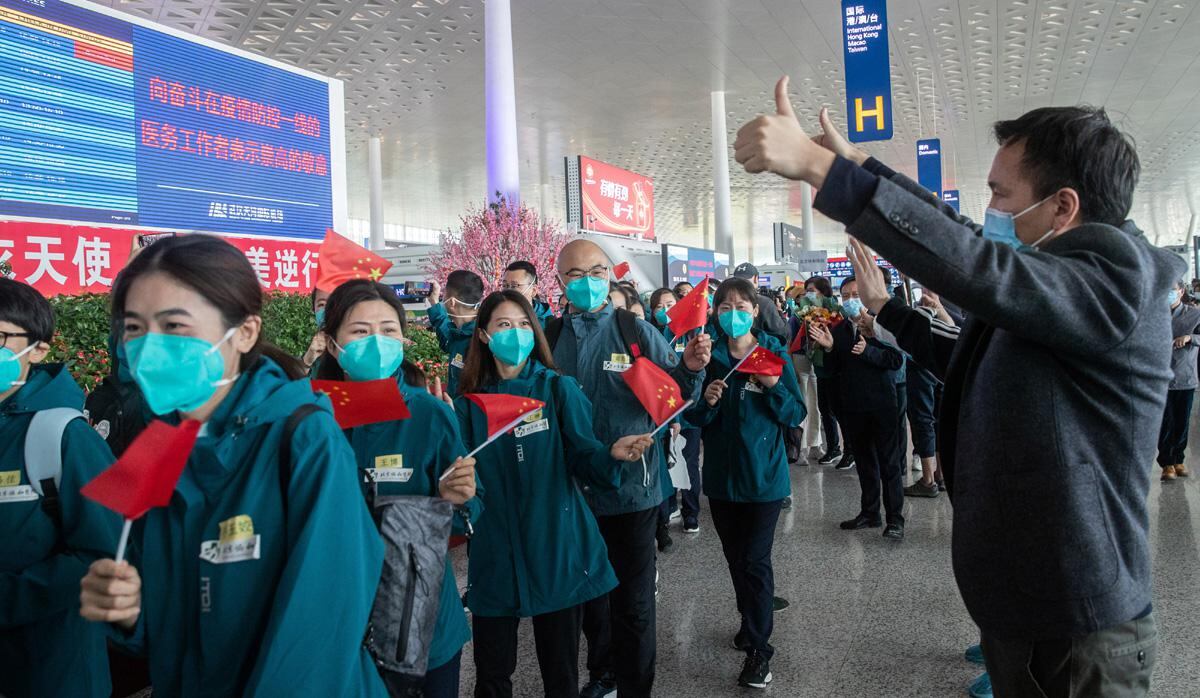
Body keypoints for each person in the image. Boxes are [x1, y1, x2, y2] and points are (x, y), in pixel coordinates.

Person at [737, 76, 1178, 695]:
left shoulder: (1117, 280)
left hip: (1078, 625)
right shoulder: (1057, 286)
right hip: (1034, 602)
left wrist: (821, 170)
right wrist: (862, 169)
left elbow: (974, 260)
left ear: (1063, 207)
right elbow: (972, 353)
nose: (988, 210)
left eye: (1000, 193)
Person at [79, 234, 388, 696]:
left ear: (244, 332)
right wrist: (128, 611)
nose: (151, 347)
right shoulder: (155, 447)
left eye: (174, 325)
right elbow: (164, 616)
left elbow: (322, 631)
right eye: (134, 328)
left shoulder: (303, 437)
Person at [455, 290, 653, 698]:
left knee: (560, 673)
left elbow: (585, 458)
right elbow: (464, 489)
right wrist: (460, 495)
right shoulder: (468, 406)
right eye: (504, 325)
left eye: (524, 324)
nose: (516, 333)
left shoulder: (558, 390)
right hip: (495, 554)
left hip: (557, 549)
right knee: (491, 675)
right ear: (484, 336)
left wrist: (610, 455)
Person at [549, 240, 710, 698]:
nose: (586, 282)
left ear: (609, 276)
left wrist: (690, 370)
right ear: (559, 281)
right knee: (589, 597)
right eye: (575, 275)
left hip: (632, 491)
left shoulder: (633, 330)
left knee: (634, 603)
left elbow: (674, 394)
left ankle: (635, 687)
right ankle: (603, 674)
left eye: (596, 272)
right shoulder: (549, 336)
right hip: (572, 491)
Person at [317, 279, 479, 697]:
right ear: (332, 344)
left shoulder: (429, 414)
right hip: (338, 617)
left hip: (420, 616)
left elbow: (472, 509)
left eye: (388, 330)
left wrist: (456, 499)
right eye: (360, 331)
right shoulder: (311, 419)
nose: (376, 342)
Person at [0, 279, 121, 698]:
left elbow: (106, 552)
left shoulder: (64, 435)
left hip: (52, 672)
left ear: (38, 350)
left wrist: (9, 598)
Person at [686, 277, 804, 689]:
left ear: (755, 311)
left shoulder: (772, 353)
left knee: (755, 560)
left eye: (741, 306)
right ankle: (749, 620)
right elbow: (691, 417)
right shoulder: (709, 355)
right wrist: (706, 402)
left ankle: (759, 650)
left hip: (764, 479)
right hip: (722, 479)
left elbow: (796, 414)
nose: (733, 314)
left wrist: (772, 387)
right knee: (735, 558)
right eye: (725, 307)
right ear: (715, 313)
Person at [810, 276, 906, 539]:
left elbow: (896, 360)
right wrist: (829, 348)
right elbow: (833, 370)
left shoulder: (880, 326)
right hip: (853, 405)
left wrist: (868, 352)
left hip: (882, 404)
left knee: (889, 463)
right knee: (864, 462)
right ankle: (870, 512)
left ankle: (895, 519)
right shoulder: (839, 330)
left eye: (856, 294)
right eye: (846, 296)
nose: (851, 300)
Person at [649, 288, 703, 533]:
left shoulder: (693, 335)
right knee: (667, 463)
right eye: (659, 307)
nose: (665, 310)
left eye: (670, 304)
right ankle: (670, 506)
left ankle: (691, 513)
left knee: (688, 462)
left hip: (689, 414)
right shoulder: (653, 336)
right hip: (664, 414)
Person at [1159, 281, 1200, 481]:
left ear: (1181, 291)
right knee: (1165, 422)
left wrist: (1190, 337)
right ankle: (1167, 462)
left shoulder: (1194, 314)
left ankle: (1178, 460)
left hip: (1185, 376)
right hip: (1160, 378)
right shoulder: (1155, 314)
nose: (1168, 293)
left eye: (1172, 290)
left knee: (1182, 422)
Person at [428, 270, 484, 396]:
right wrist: (434, 303)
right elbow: (447, 338)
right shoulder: (460, 334)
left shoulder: (480, 338)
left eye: (444, 296)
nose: (443, 299)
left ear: (452, 302)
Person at [730, 263, 789, 342]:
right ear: (756, 278)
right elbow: (783, 334)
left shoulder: (726, 301)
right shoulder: (764, 303)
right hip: (760, 347)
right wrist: (779, 311)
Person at [502, 260, 555, 326]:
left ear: (533, 290)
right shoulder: (496, 316)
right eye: (505, 285)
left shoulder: (549, 324)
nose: (508, 291)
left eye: (514, 286)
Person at [300, 286, 331, 373]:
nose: (327, 310)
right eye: (321, 305)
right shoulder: (310, 346)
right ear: (314, 309)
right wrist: (308, 360)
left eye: (333, 303)